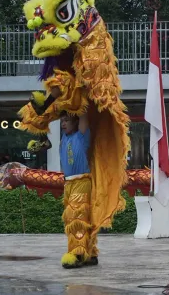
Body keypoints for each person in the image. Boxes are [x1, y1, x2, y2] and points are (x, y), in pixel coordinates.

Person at [59, 109, 98, 269]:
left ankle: (77, 253)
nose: (63, 123)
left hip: (82, 181)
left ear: (75, 122)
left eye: (67, 120)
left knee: (76, 217)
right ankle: (90, 254)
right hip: (68, 184)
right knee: (78, 218)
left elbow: (83, 113)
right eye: (62, 121)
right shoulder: (64, 139)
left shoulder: (82, 136)